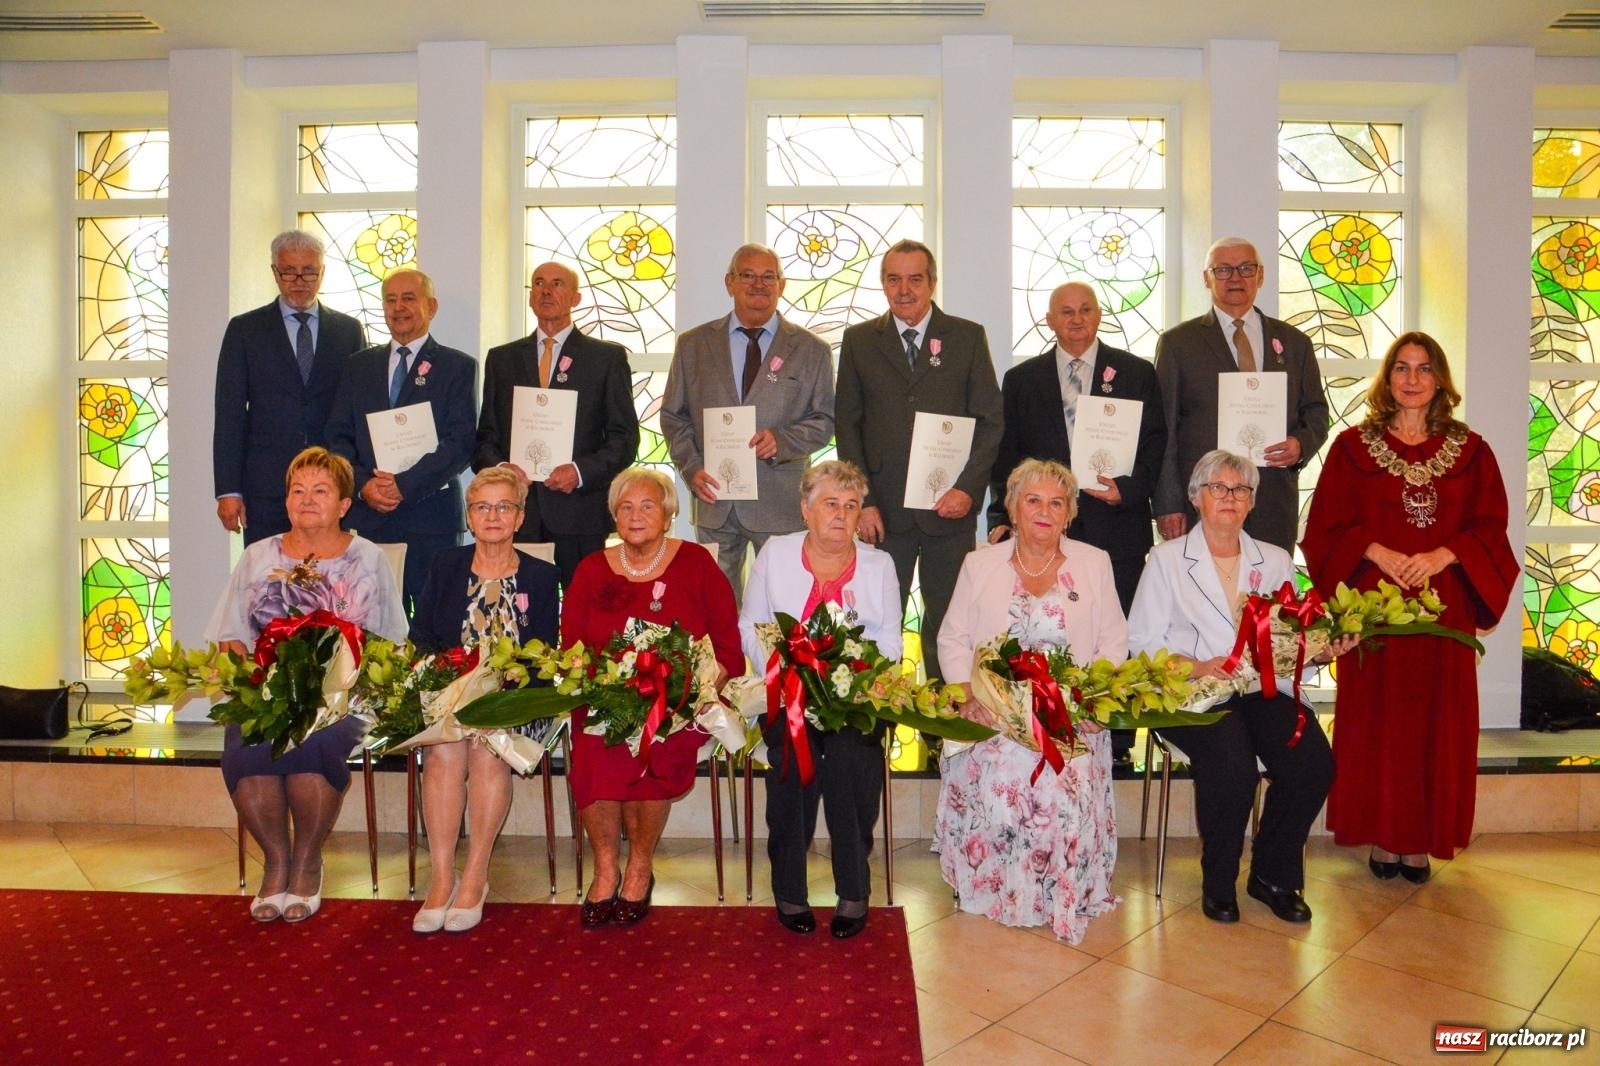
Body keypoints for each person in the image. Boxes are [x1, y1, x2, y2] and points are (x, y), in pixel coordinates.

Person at [1301, 332, 1516, 883]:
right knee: (1378, 722)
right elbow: (1325, 526)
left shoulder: (1472, 452)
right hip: (1373, 608)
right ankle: (1383, 835)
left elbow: (1490, 528)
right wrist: (1375, 550)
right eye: (1402, 368)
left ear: (1440, 379)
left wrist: (1444, 554)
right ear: (1387, 378)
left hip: (1443, 612)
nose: (1413, 379)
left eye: (1424, 369)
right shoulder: (1351, 449)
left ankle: (1419, 840)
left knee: (1435, 725)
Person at [1128, 450, 1348, 925]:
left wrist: (1318, 651)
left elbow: (1289, 636)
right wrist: (1195, 665)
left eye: (1240, 490)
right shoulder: (1165, 560)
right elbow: (1142, 644)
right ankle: (1219, 878)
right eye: (1217, 488)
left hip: (1263, 688)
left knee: (1312, 762)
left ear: (1252, 502)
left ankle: (1272, 874)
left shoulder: (1273, 559)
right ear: (1195, 498)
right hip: (1195, 692)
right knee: (1232, 765)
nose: (1230, 497)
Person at [205, 446, 407, 923]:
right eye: (298, 490)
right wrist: (247, 685)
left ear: (343, 504)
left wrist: (341, 684)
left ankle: (308, 861)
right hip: (269, 690)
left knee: (314, 744)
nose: (307, 499)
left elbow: (390, 642)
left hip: (344, 695)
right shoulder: (257, 556)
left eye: (321, 490)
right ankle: (277, 863)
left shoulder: (368, 558)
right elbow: (230, 635)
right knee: (245, 748)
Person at [934, 458, 1125, 944]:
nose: (1045, 511)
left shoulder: (1095, 562)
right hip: (994, 712)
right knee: (1001, 774)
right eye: (1033, 500)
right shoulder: (980, 563)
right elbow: (952, 639)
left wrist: (1088, 703)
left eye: (1057, 502)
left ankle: (1060, 891)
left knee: (1070, 777)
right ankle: (996, 887)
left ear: (1070, 513)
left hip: (1069, 716)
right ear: (1013, 510)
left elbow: (1113, 644)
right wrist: (967, 696)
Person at [562, 468, 743, 927]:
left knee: (656, 739)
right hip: (605, 699)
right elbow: (572, 651)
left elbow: (726, 648)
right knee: (594, 745)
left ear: (667, 513)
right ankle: (606, 866)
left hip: (677, 704)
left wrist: (695, 691)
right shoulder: (590, 570)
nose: (635, 514)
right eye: (626, 507)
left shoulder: (698, 563)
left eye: (647, 505)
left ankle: (639, 866)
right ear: (614, 516)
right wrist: (602, 687)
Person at [739, 460, 901, 939]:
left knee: (852, 761)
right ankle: (790, 889)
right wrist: (781, 665)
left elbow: (891, 643)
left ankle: (854, 889)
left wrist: (849, 675)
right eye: (830, 504)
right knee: (792, 756)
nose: (841, 515)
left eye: (851, 506)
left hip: (855, 697)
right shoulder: (775, 552)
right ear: (805, 509)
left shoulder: (880, 564)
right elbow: (750, 624)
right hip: (787, 687)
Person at [835, 239, 1004, 681]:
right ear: (883, 285)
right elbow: (847, 425)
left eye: (914, 279)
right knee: (873, 625)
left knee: (947, 625)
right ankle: (876, 733)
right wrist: (863, 501)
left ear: (932, 282)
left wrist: (968, 489)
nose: (904, 289)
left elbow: (990, 422)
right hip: (883, 513)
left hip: (950, 512)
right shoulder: (858, 341)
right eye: (894, 279)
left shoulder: (967, 337)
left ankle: (941, 738)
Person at [408, 467, 561, 933]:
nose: (492, 516)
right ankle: (440, 878)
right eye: (482, 507)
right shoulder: (445, 565)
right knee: (443, 752)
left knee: (488, 752)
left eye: (503, 507)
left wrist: (500, 693)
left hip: (514, 704)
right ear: (469, 517)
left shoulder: (541, 575)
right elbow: (423, 638)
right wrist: (452, 687)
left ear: (519, 518)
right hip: (451, 698)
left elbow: (544, 656)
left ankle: (474, 876)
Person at [661, 243, 836, 604]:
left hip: (780, 501)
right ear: (730, 282)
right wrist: (692, 468)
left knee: (783, 606)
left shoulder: (810, 349)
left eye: (768, 277)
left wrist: (784, 441)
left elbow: (825, 420)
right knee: (715, 607)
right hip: (714, 499)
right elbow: (673, 416)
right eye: (748, 275)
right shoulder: (693, 345)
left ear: (781, 285)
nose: (758, 284)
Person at [989, 282, 1166, 612]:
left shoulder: (1137, 373)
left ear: (1099, 316)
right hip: (1044, 532)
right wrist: (1001, 515)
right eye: (1066, 312)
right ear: (1049, 320)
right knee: (1051, 629)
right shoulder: (1021, 380)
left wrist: (1127, 490)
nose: (1077, 319)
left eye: (1086, 310)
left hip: (1118, 526)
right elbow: (1006, 457)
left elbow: (1155, 443)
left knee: (1119, 635)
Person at [1153, 237, 1329, 553]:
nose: (1235, 278)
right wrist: (1167, 504)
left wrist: (1300, 445)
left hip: (1272, 499)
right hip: (1202, 503)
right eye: (1223, 270)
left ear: (1260, 275)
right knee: (1201, 595)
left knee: (1270, 595)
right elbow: (1162, 429)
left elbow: (1316, 411)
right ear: (1206, 278)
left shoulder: (1294, 343)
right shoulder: (1178, 344)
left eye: (1246, 268)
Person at [472, 261, 640, 588]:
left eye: (557, 284)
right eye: (538, 283)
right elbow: (484, 440)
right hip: (516, 513)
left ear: (576, 298)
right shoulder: (502, 359)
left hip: (580, 513)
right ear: (531, 296)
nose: (546, 291)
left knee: (584, 614)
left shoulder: (605, 358)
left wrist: (579, 472)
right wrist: (505, 469)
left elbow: (624, 439)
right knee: (518, 613)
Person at [326, 268, 477, 616]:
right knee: (372, 626)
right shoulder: (357, 367)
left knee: (435, 628)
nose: (398, 307)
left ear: (431, 306)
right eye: (390, 300)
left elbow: (460, 442)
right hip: (370, 517)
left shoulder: (457, 367)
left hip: (431, 520)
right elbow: (337, 438)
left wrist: (403, 485)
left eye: (409, 298)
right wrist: (363, 486)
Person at [213, 230, 366, 544]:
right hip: (267, 488)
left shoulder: (348, 331)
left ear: (322, 272)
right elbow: (229, 414)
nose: (299, 280)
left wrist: (360, 478)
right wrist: (228, 490)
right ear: (274, 272)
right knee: (270, 583)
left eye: (309, 271)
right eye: (289, 271)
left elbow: (360, 411)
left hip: (332, 486)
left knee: (329, 582)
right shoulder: (245, 330)